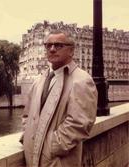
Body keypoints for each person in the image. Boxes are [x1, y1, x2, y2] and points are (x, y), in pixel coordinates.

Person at [21, 30, 98, 167]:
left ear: (71, 50)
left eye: (58, 45)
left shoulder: (82, 80)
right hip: (32, 158)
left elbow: (79, 124)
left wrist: (51, 147)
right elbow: (27, 115)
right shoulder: (38, 80)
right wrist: (28, 137)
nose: (52, 49)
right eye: (48, 45)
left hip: (58, 162)